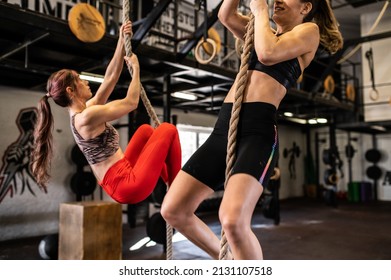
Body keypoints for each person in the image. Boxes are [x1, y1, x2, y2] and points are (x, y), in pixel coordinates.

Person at [161, 0, 343, 260]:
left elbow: (268, 53)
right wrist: (256, 13)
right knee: (173, 210)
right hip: (224, 129)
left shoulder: (308, 32)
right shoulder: (261, 29)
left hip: (258, 132)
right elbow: (225, 15)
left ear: (305, 8)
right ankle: (230, 263)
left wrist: (260, 9)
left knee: (232, 220)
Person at [30, 21, 181, 204]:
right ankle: (176, 191)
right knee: (167, 129)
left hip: (122, 173)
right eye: (80, 80)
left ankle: (167, 180)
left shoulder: (86, 111)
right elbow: (131, 102)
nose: (85, 82)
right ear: (71, 91)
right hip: (126, 186)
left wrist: (121, 40)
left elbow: (110, 78)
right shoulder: (86, 117)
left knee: (146, 131)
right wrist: (136, 70)